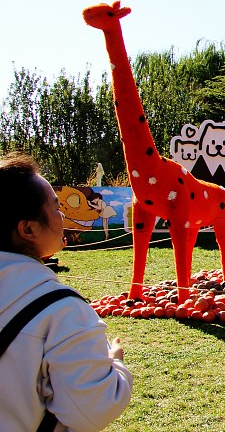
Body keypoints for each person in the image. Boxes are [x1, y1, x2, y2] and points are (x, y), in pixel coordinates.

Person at [0, 152, 132, 431]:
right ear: (28, 228)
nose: (62, 215)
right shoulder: (61, 310)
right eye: (56, 207)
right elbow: (92, 410)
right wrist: (116, 364)